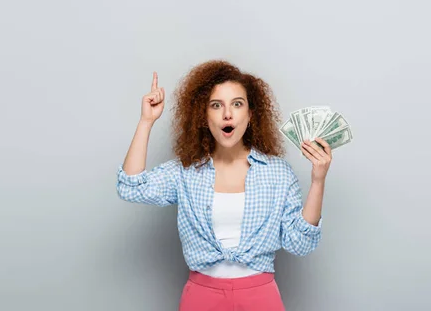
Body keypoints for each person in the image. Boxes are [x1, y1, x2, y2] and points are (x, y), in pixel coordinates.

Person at [116, 60, 333, 311]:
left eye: (237, 104)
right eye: (216, 105)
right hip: (201, 296)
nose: (227, 114)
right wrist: (146, 121)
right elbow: (131, 187)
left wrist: (318, 180)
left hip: (260, 297)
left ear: (251, 115)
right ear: (204, 116)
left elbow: (301, 243)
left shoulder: (278, 173)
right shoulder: (186, 172)